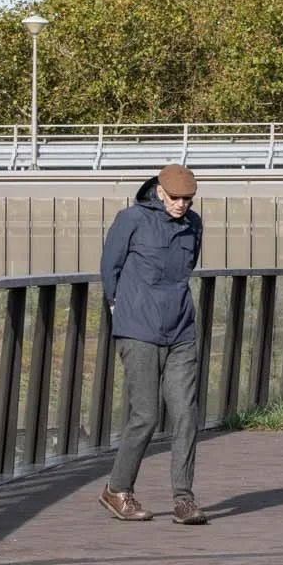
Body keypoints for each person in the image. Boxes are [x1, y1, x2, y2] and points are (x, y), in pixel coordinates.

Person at [96, 164, 208, 525]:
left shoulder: (194, 225)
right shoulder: (131, 219)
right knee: (145, 415)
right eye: (176, 198)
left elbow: (187, 268)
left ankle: (184, 499)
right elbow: (109, 268)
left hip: (180, 331)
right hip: (138, 329)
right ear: (160, 192)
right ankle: (117, 490)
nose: (181, 205)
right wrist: (119, 308)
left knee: (186, 414)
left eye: (188, 199)